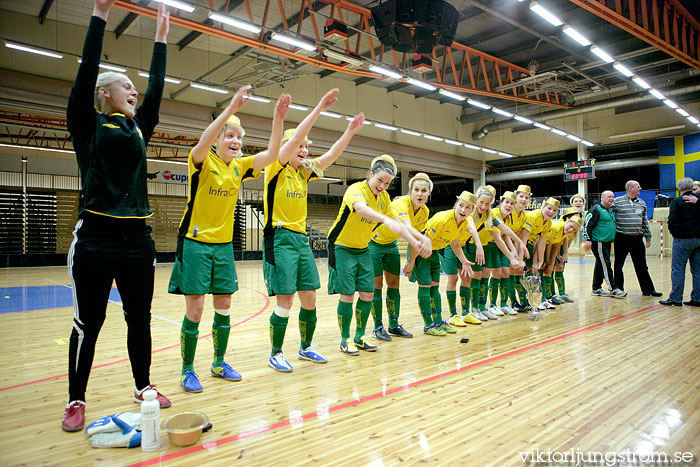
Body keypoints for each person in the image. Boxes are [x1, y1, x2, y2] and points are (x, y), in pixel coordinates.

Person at [62, 0, 171, 432]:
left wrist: (161, 36)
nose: (135, 91)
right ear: (104, 92)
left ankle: (142, 385)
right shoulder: (86, 124)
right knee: (88, 322)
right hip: (95, 238)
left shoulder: (140, 125)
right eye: (126, 86)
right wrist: (100, 15)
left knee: (139, 319)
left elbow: (158, 87)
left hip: (137, 240)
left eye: (135, 87)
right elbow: (87, 69)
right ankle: (75, 398)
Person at [168, 87, 289, 392]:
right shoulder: (200, 161)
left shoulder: (239, 167)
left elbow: (272, 155)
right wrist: (231, 108)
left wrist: (278, 119)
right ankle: (187, 369)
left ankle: (219, 362)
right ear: (218, 140)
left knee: (224, 307)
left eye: (239, 137)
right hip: (194, 244)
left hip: (223, 247)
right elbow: (202, 142)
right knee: (195, 310)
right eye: (230, 136)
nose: (236, 142)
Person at [263, 90, 366, 372]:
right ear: (287, 147)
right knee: (285, 299)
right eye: (299, 146)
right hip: (279, 237)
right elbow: (294, 138)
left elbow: (330, 156)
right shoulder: (274, 167)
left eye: (307, 147)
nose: (304, 150)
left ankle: (306, 347)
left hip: (300, 239)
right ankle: (276, 352)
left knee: (309, 298)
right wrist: (319, 106)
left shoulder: (303, 172)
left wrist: (349, 132)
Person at [328, 155, 430, 354]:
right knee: (348, 295)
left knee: (367, 294)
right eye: (379, 180)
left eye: (387, 183)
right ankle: (344, 339)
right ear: (371, 174)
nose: (383, 186)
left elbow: (399, 225)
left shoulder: (383, 198)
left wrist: (417, 240)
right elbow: (361, 209)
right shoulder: (355, 190)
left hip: (363, 248)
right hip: (342, 247)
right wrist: (385, 219)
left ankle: (359, 337)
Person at [370, 173, 433, 340]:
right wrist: (424, 238)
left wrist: (411, 261)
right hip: (373, 243)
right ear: (410, 191)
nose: (420, 194)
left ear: (429, 193)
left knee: (394, 283)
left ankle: (393, 324)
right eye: (416, 190)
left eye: (424, 191)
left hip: (391, 245)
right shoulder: (400, 204)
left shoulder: (424, 212)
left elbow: (414, 238)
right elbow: (407, 228)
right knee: (376, 285)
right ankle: (377, 326)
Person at [410, 191, 476, 335]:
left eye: (468, 208)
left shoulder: (464, 224)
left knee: (435, 287)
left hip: (434, 251)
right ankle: (428, 325)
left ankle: (438, 321)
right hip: (421, 250)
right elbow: (423, 239)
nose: (463, 210)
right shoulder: (443, 218)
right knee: (426, 286)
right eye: (461, 205)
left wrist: (464, 261)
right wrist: (411, 262)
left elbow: (455, 243)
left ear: (472, 210)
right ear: (456, 204)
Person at [611, 180, 662, 297]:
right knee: (618, 265)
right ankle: (618, 289)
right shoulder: (617, 202)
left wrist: (647, 236)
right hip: (621, 238)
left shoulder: (642, 203)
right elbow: (607, 213)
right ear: (630, 188)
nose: (640, 188)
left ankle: (648, 289)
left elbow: (644, 221)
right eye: (638, 186)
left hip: (637, 238)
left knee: (642, 265)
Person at [659, 177, 700, 307]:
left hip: (683, 240)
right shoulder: (697, 200)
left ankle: (676, 298)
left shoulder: (677, 202)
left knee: (678, 269)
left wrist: (676, 235)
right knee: (697, 270)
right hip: (699, 239)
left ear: (679, 188)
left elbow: (672, 222)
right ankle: (697, 298)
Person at [583, 191, 626, 298]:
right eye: (609, 197)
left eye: (613, 197)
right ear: (602, 198)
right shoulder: (595, 210)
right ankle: (613, 288)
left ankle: (596, 288)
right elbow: (587, 225)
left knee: (600, 264)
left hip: (607, 242)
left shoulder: (610, 210)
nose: (611, 198)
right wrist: (588, 239)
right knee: (606, 265)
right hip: (599, 242)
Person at [519, 197, 559, 310]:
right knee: (518, 271)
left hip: (530, 244)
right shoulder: (533, 216)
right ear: (543, 207)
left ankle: (536, 301)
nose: (551, 212)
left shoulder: (549, 222)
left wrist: (540, 261)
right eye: (549, 208)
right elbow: (523, 238)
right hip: (520, 243)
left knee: (535, 270)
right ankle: (520, 301)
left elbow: (542, 242)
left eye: (554, 210)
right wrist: (520, 258)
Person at [542, 211, 583, 304]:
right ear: (568, 219)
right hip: (544, 246)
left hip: (553, 246)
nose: (572, 230)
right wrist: (549, 261)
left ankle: (554, 295)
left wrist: (565, 253)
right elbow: (549, 244)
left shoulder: (569, 228)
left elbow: (559, 242)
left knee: (552, 269)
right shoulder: (559, 225)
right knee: (547, 270)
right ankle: (547, 296)